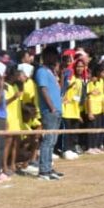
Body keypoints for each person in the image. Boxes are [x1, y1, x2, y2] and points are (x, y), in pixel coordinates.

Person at [34, 48, 64, 181]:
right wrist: (51, 107)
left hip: (57, 110)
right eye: (52, 55)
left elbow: (58, 89)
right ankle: (43, 170)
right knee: (48, 140)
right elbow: (44, 90)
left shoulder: (51, 72)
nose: (55, 58)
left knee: (52, 141)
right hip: (50, 111)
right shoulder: (41, 71)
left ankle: (49, 167)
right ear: (46, 56)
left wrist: (61, 75)